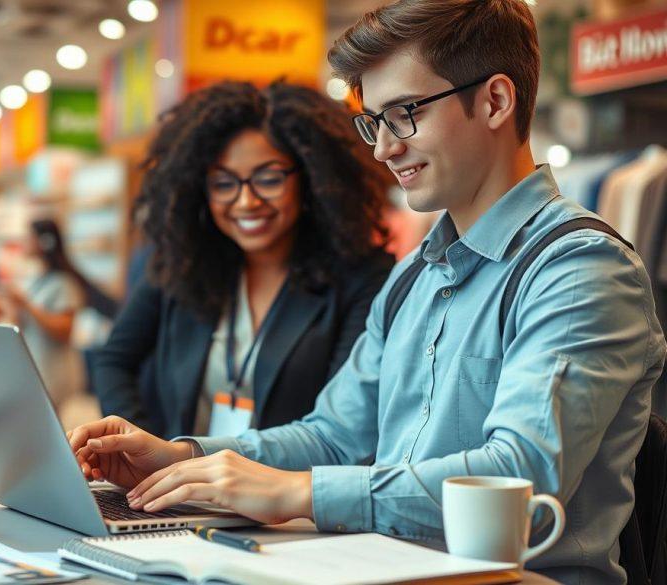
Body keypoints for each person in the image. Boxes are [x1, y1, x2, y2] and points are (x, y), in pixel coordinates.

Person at [67, 1, 667, 582]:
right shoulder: (414, 277)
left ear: (496, 101)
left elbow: (521, 475)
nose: (384, 148)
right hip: (384, 566)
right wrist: (185, 458)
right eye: (374, 121)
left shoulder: (579, 270)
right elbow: (335, 434)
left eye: (406, 112)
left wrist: (295, 491)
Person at [92, 81, 394, 439]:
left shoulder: (362, 278)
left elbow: (343, 426)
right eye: (223, 184)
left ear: (312, 178)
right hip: (180, 489)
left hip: (286, 489)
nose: (246, 201)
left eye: (268, 178)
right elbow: (114, 360)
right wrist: (146, 448)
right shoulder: (181, 266)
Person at [7, 219, 95, 421]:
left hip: (54, 370)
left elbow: (64, 330)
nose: (24, 241)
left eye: (29, 237)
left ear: (43, 241)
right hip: (36, 364)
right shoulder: (36, 278)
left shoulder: (63, 283)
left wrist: (26, 304)